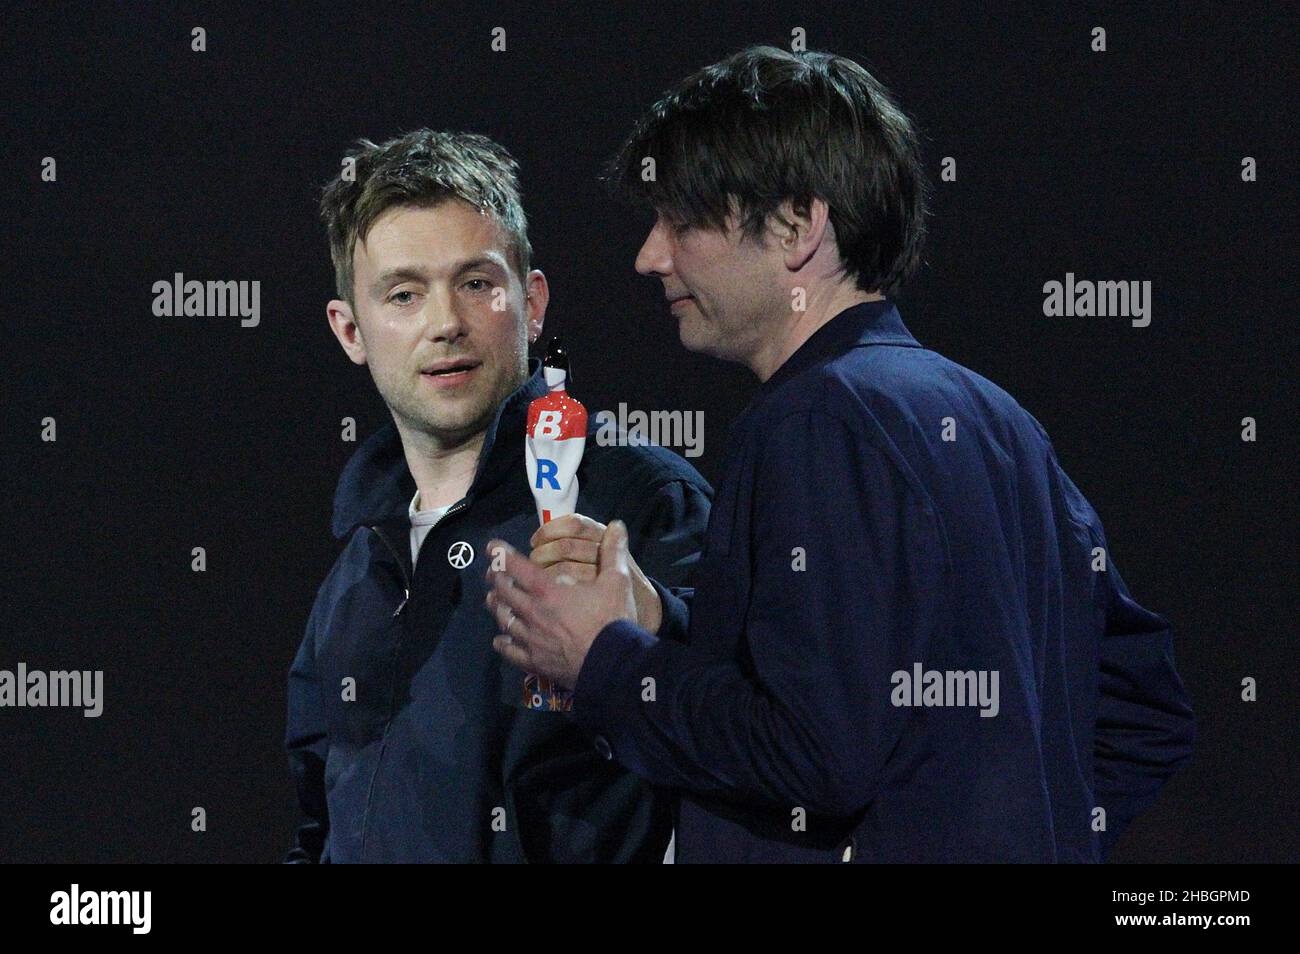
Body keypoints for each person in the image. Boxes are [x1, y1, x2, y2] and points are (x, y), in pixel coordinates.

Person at [484, 47, 1195, 862]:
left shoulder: (817, 419)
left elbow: (815, 752)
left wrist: (604, 663)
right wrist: (662, 627)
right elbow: (1142, 713)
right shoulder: (999, 423)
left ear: (797, 224)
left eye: (681, 220)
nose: (650, 255)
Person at [283, 129, 711, 862]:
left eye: (476, 283)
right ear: (350, 330)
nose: (446, 323)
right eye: (404, 294)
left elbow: (746, 740)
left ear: (532, 301)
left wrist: (654, 627)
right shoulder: (358, 569)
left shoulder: (639, 500)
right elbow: (319, 831)